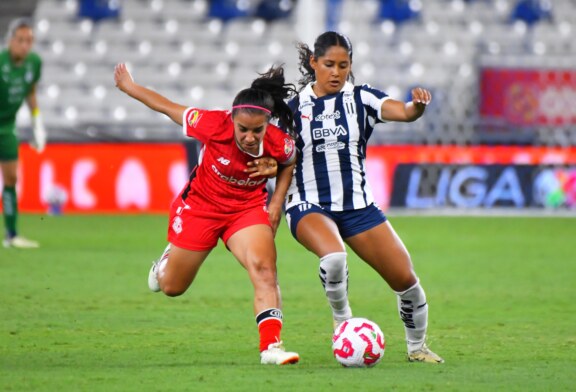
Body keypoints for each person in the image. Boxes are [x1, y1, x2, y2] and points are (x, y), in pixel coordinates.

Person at [114, 63, 300, 365]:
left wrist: (276, 201)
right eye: (243, 129)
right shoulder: (213, 124)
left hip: (246, 209)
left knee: (265, 270)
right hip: (201, 207)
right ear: (232, 120)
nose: (250, 137)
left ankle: (271, 347)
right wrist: (129, 86)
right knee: (172, 287)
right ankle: (165, 261)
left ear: (268, 124)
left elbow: (291, 161)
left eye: (257, 130)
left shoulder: (280, 142)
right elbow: (167, 107)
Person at [278, 31, 444, 363]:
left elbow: (403, 112)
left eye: (344, 65)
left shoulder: (361, 98)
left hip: (358, 207)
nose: (336, 72)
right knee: (334, 258)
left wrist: (417, 107)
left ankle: (417, 349)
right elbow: (279, 158)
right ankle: (342, 323)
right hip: (308, 204)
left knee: (407, 282)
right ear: (314, 63)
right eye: (329, 65)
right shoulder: (293, 108)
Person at [1, 18, 46, 249]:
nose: (25, 46)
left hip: (6, 126)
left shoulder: (34, 63)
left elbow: (31, 91)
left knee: (11, 179)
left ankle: (11, 235)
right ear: (11, 40)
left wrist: (36, 121)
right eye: (21, 40)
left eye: (29, 41)